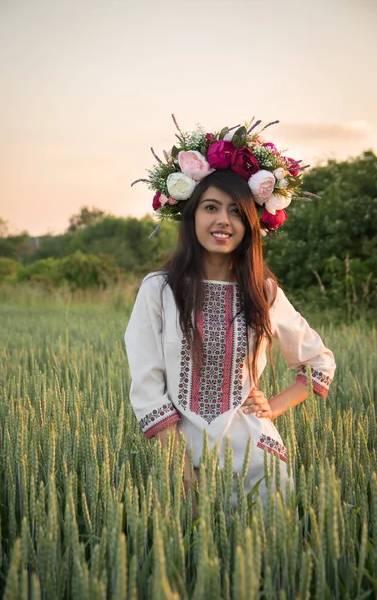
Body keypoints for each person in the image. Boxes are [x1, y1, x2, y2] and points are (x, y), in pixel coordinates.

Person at [125, 118, 336, 506]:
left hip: (259, 461)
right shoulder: (159, 290)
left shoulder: (264, 292)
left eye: (236, 211)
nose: (223, 220)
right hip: (182, 461)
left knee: (270, 564)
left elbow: (318, 363)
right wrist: (177, 465)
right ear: (191, 217)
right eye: (210, 207)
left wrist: (273, 406)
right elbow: (147, 384)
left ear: (251, 223)